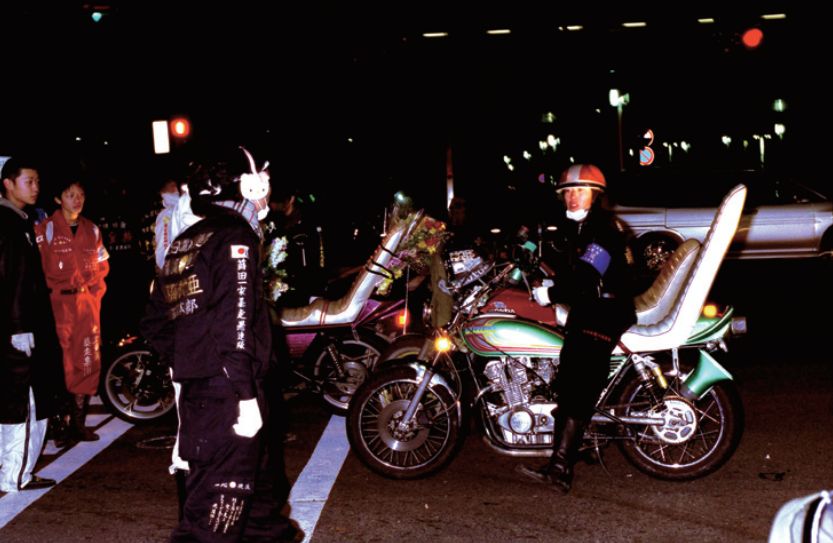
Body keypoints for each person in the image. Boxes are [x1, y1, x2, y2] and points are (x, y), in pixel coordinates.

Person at [141, 146, 299, 542]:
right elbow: (236, 320)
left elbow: (155, 322)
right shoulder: (234, 237)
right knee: (216, 516)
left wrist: (192, 360)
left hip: (204, 391)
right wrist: (244, 396)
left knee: (260, 510)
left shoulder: (185, 241)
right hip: (230, 395)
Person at [516, 163, 637, 494]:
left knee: (578, 382)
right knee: (568, 373)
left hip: (606, 311)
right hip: (592, 307)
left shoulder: (603, 229)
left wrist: (552, 293)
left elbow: (586, 277)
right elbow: (574, 268)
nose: (572, 197)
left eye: (580, 191)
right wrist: (549, 280)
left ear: (595, 195)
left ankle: (560, 468)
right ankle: (572, 447)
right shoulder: (581, 228)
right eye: (568, 192)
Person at [1, 157, 66, 492]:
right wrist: (18, 327)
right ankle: (15, 475)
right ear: (8, 183)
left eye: (37, 181)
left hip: (20, 326)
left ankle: (12, 472)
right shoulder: (8, 224)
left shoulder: (19, 221)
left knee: (17, 401)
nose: (36, 187)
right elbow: (11, 280)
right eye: (29, 181)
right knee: (24, 403)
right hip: (19, 330)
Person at [35, 179, 110, 442]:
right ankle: (59, 423)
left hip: (86, 305)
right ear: (58, 199)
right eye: (70, 195)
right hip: (57, 305)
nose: (77, 200)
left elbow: (102, 267)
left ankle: (78, 424)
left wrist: (94, 297)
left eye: (80, 195)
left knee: (87, 360)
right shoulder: (45, 229)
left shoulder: (93, 229)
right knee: (58, 363)